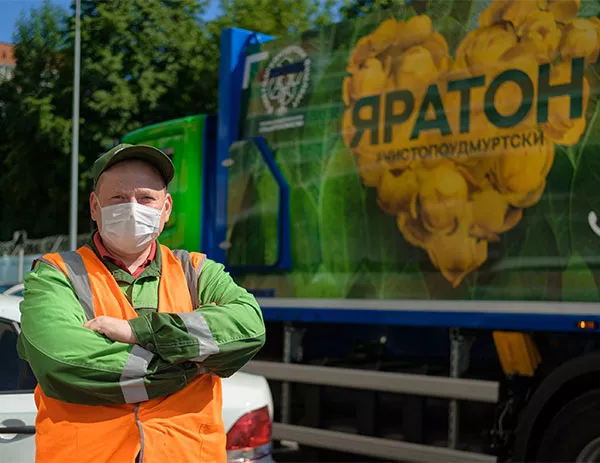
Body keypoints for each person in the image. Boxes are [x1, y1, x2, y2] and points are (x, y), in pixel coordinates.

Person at [17, 144, 266, 463]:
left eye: (146, 198)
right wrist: (190, 365)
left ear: (165, 209)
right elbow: (64, 365)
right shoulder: (55, 274)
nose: (133, 208)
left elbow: (249, 328)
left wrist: (140, 332)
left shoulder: (197, 271)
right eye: (118, 198)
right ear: (94, 207)